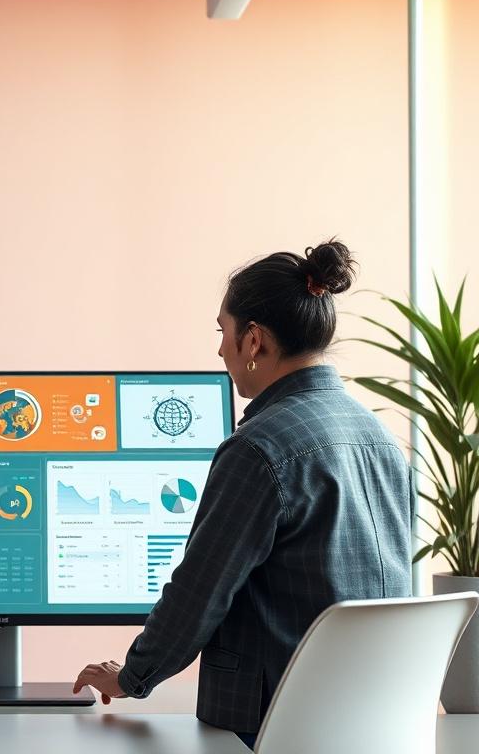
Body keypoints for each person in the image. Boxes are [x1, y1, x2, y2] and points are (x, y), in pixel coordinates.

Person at [72, 240, 414, 749]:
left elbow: (200, 592)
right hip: (371, 721)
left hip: (270, 722)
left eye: (222, 331)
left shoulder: (259, 448)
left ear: (253, 341)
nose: (219, 349)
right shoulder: (379, 436)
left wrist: (130, 677)